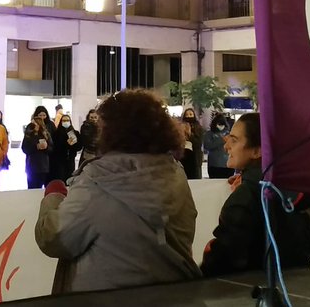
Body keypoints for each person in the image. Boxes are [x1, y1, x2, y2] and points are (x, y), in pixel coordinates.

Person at [33, 89, 201, 294]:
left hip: (108, 296)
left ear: (114, 130)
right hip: (175, 294)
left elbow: (56, 238)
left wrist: (53, 197)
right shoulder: (175, 173)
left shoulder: (99, 180)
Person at [200, 113, 310, 276]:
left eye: (234, 140)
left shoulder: (245, 196)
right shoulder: (295, 189)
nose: (226, 146)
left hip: (252, 292)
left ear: (257, 151)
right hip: (296, 287)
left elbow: (224, 258)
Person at [22, 106, 54, 189]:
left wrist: (46, 147)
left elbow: (51, 147)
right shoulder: (30, 128)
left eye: (44, 115)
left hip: (44, 166)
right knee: (32, 190)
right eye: (40, 116)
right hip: (32, 165)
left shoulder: (47, 130)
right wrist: (36, 146)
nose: (42, 118)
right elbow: (25, 147)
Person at [47, 114, 79, 182]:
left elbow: (78, 147)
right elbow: (55, 148)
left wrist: (73, 144)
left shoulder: (75, 133)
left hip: (70, 161)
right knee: (61, 179)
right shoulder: (56, 134)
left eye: (67, 120)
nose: (66, 122)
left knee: (70, 179)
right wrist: (66, 143)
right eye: (64, 120)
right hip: (60, 161)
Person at [203, 114, 233, 181]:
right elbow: (207, 146)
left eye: (222, 124)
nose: (220, 126)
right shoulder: (209, 134)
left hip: (228, 164)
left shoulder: (230, 134)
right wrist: (222, 140)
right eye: (219, 123)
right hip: (214, 165)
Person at [177, 108, 204, 179]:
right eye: (187, 115)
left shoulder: (198, 127)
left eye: (190, 114)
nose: (188, 116)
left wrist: (190, 134)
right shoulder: (179, 126)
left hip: (195, 157)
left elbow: (198, 143)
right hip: (182, 156)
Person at [75, 108, 100, 173]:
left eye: (95, 117)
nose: (94, 119)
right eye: (91, 117)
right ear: (88, 117)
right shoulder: (85, 126)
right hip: (88, 153)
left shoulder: (101, 126)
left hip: (99, 153)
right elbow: (86, 140)